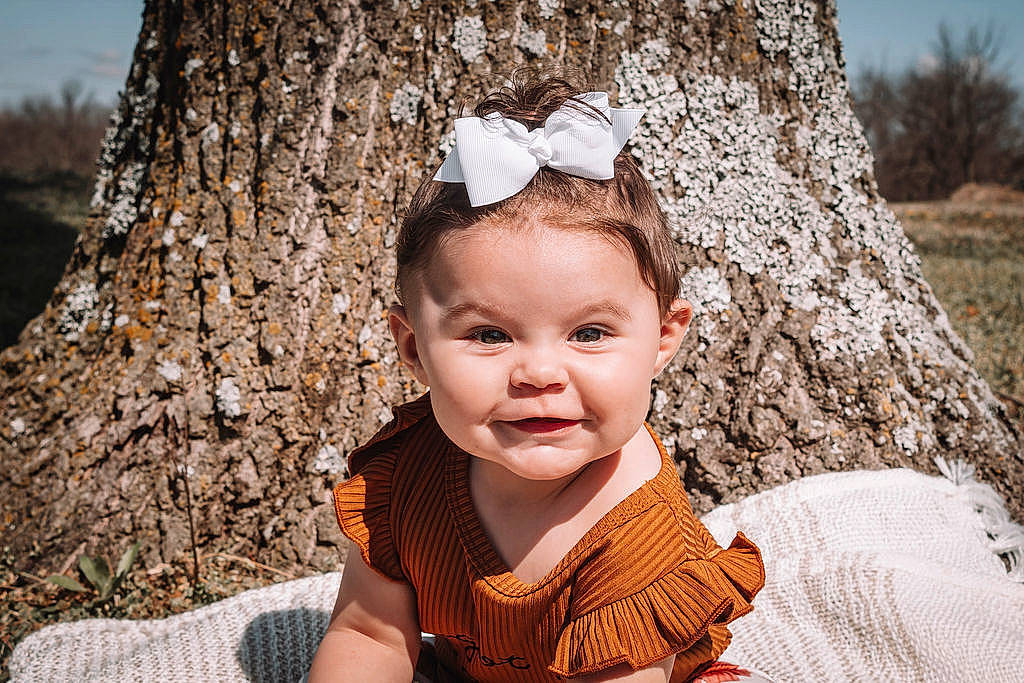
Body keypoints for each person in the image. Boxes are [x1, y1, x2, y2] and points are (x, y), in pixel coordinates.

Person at [308, 69, 766, 683]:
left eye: (590, 333)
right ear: (414, 348)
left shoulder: (636, 537)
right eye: (490, 335)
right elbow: (369, 636)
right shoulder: (405, 480)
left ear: (662, 338)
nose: (541, 373)